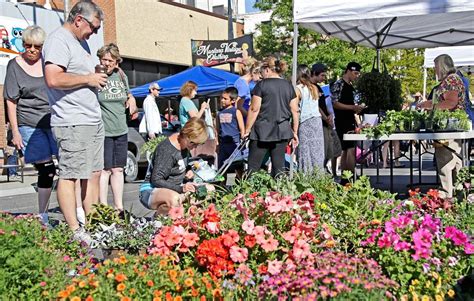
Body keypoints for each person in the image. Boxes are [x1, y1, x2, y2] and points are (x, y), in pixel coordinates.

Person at [43, 1, 106, 244]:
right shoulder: (59, 40)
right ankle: (74, 229)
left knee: (92, 174)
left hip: (90, 119)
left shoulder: (82, 42)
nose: (95, 32)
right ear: (79, 19)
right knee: (70, 175)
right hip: (72, 120)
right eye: (94, 27)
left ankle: (92, 224)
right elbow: (53, 78)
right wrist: (89, 78)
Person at [4, 25, 58, 226]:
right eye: (28, 45)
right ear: (23, 44)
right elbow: (11, 100)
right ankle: (43, 215)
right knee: (46, 169)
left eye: (37, 46)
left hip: (52, 121)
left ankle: (75, 210)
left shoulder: (48, 64)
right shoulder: (14, 66)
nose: (33, 50)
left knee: (67, 168)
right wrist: (15, 131)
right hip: (28, 123)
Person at [139, 117, 209, 215]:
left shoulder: (185, 146)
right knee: (175, 199)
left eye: (199, 144)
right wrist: (181, 189)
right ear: (187, 136)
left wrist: (189, 171)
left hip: (176, 187)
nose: (195, 147)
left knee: (208, 190)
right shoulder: (167, 150)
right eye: (194, 143)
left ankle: (182, 215)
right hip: (151, 190)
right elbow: (156, 179)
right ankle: (160, 218)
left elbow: (181, 165)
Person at [418, 54, 466, 198]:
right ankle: (458, 193)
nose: (434, 70)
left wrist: (430, 105)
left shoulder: (451, 80)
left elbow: (451, 103)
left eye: (436, 67)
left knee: (445, 159)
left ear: (441, 66)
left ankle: (446, 193)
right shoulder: (453, 79)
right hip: (451, 126)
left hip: (448, 127)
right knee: (455, 160)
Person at [96, 43, 137, 212]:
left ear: (116, 61)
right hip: (104, 130)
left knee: (118, 169)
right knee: (105, 170)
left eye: (110, 60)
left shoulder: (121, 76)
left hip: (121, 128)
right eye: (103, 59)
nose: (107, 63)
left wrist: (131, 99)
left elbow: (127, 94)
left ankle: (119, 206)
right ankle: (103, 206)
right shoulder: (96, 76)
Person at [244, 56, 299, 177]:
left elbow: (254, 109)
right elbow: (295, 110)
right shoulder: (288, 86)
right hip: (282, 131)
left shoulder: (261, 85)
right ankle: (279, 195)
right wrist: (295, 132)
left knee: (253, 168)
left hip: (261, 131)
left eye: (262, 70)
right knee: (279, 167)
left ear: (267, 69)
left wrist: (247, 129)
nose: (261, 73)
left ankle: (250, 194)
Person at [331, 62, 364, 183]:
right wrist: (352, 108)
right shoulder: (338, 84)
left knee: (347, 149)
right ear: (348, 71)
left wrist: (356, 108)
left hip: (349, 119)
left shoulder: (350, 86)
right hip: (341, 120)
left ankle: (346, 177)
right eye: (355, 73)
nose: (356, 76)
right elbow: (335, 103)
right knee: (349, 148)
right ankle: (350, 176)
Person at [310, 63, 341, 175]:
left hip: (326, 121)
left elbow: (324, 104)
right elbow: (315, 106)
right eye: (322, 75)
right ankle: (320, 171)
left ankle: (327, 169)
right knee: (323, 149)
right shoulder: (311, 87)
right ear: (314, 73)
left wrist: (329, 115)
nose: (324, 78)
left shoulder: (318, 87)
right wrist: (325, 117)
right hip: (320, 122)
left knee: (332, 149)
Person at [295, 65, 325, 173]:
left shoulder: (298, 89)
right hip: (317, 121)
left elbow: (295, 109)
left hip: (305, 121)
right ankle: (318, 176)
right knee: (317, 151)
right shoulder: (313, 88)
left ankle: (306, 176)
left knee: (305, 150)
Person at [216, 87, 245, 176]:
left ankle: (241, 183)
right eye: (222, 98)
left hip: (235, 144)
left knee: (237, 166)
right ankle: (228, 185)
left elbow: (242, 128)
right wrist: (217, 143)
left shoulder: (236, 112)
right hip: (223, 144)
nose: (222, 100)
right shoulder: (219, 113)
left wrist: (243, 139)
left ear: (233, 100)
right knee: (224, 167)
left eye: (225, 99)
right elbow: (217, 129)